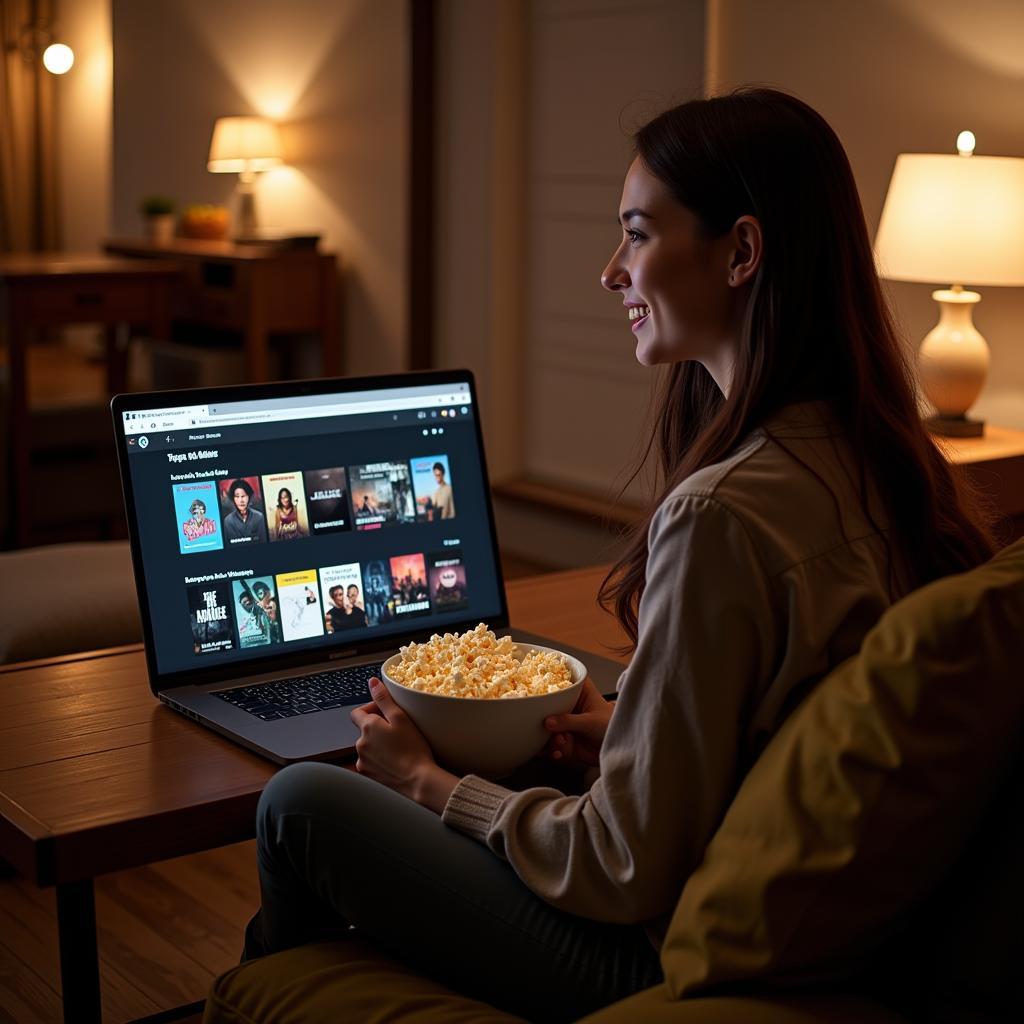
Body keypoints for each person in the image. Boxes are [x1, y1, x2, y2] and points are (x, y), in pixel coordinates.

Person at [242, 89, 998, 1022]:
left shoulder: (723, 513)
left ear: (742, 253)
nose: (611, 272)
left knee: (300, 804)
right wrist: (638, 728)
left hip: (650, 954)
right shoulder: (887, 462)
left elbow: (622, 866)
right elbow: (794, 724)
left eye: (638, 234)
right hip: (840, 929)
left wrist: (428, 784)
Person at [223, 479, 266, 544]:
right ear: (233, 498)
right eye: (237, 496)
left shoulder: (259, 517)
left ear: (249, 497)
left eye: (243, 496)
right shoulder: (228, 521)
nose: (241, 500)